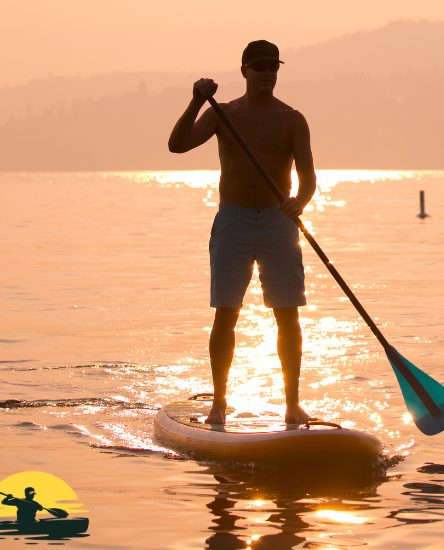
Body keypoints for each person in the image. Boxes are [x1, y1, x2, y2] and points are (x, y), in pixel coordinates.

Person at [168, 40, 317, 425]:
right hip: (232, 220)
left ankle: (292, 405)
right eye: (260, 67)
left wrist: (299, 202)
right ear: (245, 71)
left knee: (288, 315)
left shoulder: (292, 119)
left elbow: (308, 178)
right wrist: (197, 101)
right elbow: (177, 145)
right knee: (226, 314)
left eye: (274, 67)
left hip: (277, 221)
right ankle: (218, 403)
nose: (268, 73)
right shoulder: (224, 114)